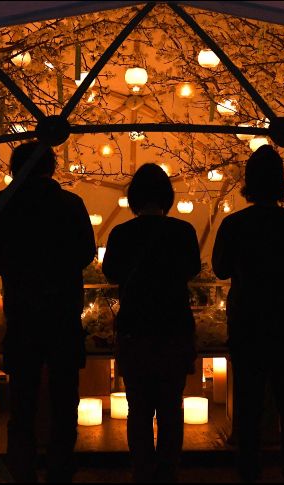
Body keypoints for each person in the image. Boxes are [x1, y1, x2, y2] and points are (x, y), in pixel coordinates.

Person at [0, 142, 96, 483]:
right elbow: (85, 253)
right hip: (62, 315)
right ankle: (61, 469)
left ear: (15, 170)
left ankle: (22, 470)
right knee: (65, 400)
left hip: (22, 317)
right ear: (51, 167)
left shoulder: (6, 206)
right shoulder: (71, 204)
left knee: (22, 403)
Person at [211, 145, 284, 482]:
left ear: (248, 183)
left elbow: (221, 269)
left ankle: (249, 473)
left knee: (249, 409)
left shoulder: (234, 224)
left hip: (248, 325)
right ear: (282, 182)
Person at [102, 163, 201, 483]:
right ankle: (168, 473)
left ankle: (142, 473)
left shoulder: (121, 234)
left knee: (139, 409)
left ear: (133, 198)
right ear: (167, 197)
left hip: (135, 329)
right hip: (174, 328)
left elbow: (111, 272)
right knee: (172, 407)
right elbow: (192, 270)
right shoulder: (183, 232)